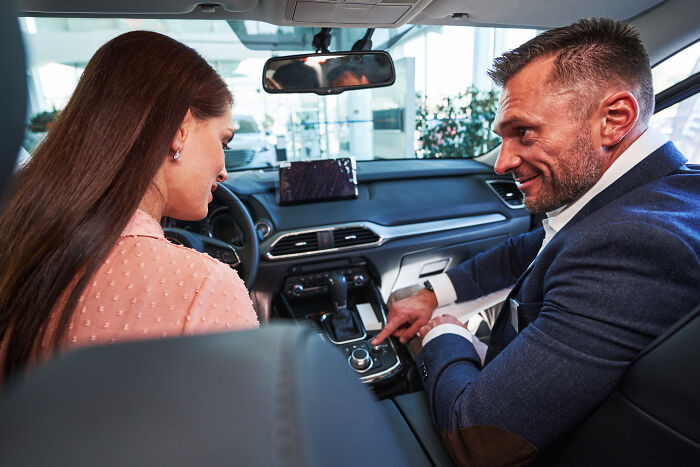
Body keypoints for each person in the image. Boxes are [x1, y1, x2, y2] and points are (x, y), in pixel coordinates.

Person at [372, 18, 700, 465]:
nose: (501, 163)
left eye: (523, 132)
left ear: (614, 119)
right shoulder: (645, 195)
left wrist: (445, 334)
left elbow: (477, 440)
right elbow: (527, 251)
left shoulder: (634, 245)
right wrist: (432, 294)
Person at [0, 31, 259, 384]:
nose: (224, 170)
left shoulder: (19, 246)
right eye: (223, 141)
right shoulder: (205, 287)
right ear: (179, 131)